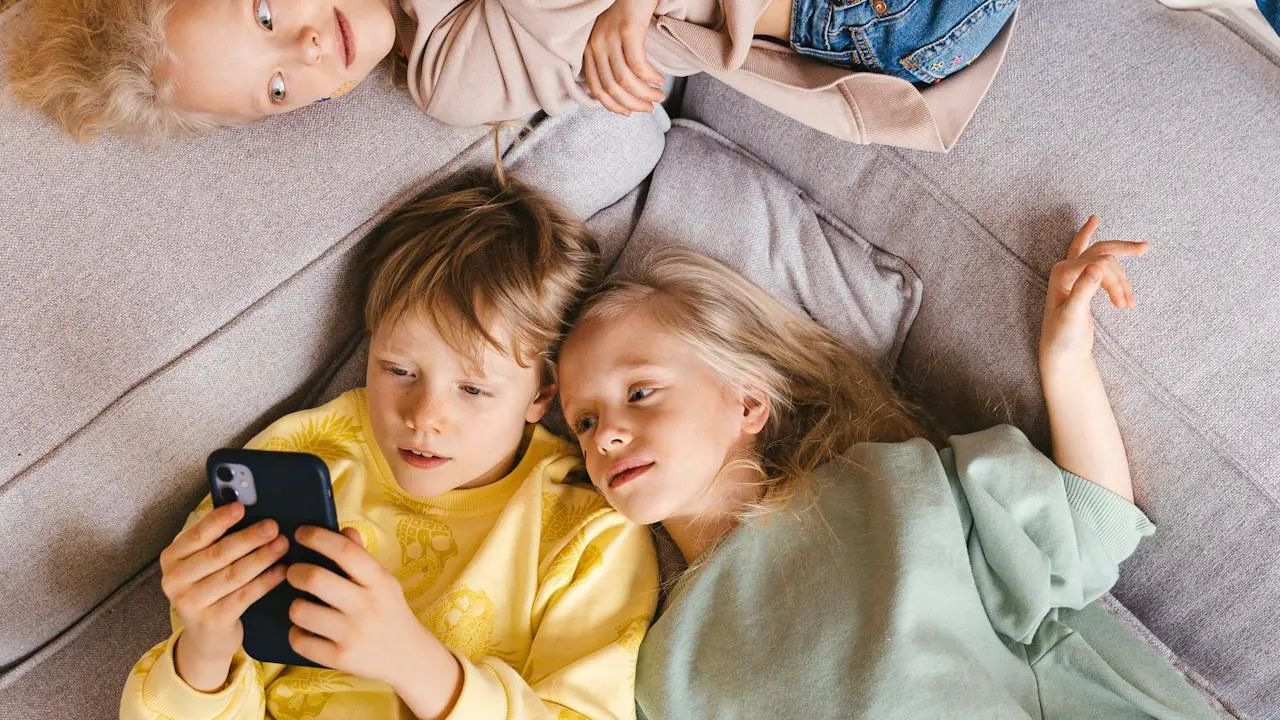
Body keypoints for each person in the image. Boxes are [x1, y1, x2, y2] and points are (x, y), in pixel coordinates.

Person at [556, 217, 1222, 719]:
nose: (606, 434)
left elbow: (1089, 527)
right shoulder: (657, 672)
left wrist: (1067, 363)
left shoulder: (888, 493)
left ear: (748, 401)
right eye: (582, 421)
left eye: (639, 392)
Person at [119, 168, 659, 719]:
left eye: (473, 389)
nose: (422, 418)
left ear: (542, 393)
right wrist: (203, 655)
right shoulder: (309, 456)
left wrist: (415, 664)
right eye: (398, 370)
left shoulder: (586, 536)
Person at [3, 0, 1016, 147]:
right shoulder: (452, 76)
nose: (306, 49)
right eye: (276, 88)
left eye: (269, 12)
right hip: (882, 20)